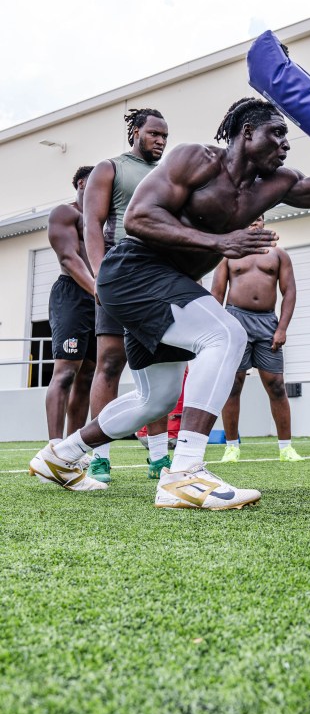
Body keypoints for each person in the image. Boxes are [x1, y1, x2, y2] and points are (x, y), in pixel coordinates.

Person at [29, 96, 310, 509]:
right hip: (134, 270)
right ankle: (184, 474)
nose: (286, 145)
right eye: (278, 134)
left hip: (170, 283)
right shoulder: (194, 159)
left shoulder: (276, 183)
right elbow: (138, 218)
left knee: (156, 398)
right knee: (226, 334)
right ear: (247, 133)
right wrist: (221, 242)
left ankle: (61, 455)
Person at [83, 107, 170, 482]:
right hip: (121, 275)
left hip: (161, 280)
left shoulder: (169, 174)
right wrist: (101, 274)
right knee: (110, 363)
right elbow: (92, 223)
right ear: (135, 132)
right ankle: (99, 456)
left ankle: (159, 458)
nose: (161, 141)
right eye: (154, 134)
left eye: (165, 136)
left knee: (160, 365)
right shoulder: (110, 168)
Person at [211, 215, 301, 463]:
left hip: (267, 323)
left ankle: (286, 448)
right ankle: (231, 447)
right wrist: (218, 328)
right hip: (235, 320)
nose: (254, 222)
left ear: (263, 222)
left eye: (259, 218)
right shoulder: (229, 254)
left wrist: (282, 328)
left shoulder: (278, 254)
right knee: (233, 386)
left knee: (276, 386)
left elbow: (289, 291)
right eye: (250, 217)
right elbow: (217, 293)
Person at [44, 166, 96, 445]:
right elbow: (68, 258)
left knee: (87, 375)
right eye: (94, 180)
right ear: (80, 183)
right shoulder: (66, 213)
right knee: (66, 371)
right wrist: (97, 289)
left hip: (99, 299)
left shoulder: (103, 220)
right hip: (73, 294)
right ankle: (54, 446)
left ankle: (72, 449)